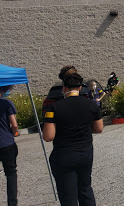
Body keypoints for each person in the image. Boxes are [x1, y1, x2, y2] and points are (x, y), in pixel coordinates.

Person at [43, 71, 103, 206]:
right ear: (80, 87)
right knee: (85, 189)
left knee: (68, 195)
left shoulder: (54, 108)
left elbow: (48, 136)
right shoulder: (91, 104)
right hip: (85, 154)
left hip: (64, 155)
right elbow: (99, 129)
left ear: (64, 87)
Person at [0, 85, 18, 206]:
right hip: (6, 143)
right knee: (11, 174)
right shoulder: (7, 103)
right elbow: (14, 124)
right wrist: (13, 132)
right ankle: (12, 203)